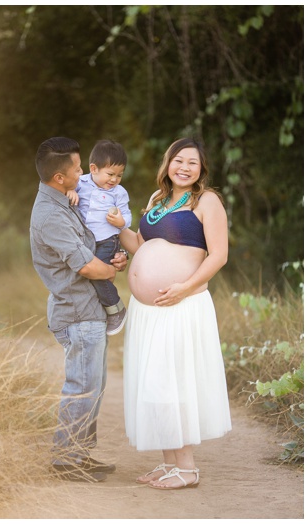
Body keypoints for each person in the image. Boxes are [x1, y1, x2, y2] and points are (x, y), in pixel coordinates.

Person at [119, 137, 232, 490]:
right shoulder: (157, 200)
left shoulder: (207, 201)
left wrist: (184, 287)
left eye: (192, 162)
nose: (184, 167)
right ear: (168, 163)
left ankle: (187, 468)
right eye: (178, 160)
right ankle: (169, 464)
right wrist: (117, 233)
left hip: (181, 305)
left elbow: (218, 255)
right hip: (148, 311)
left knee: (174, 383)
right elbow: (141, 245)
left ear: (201, 169)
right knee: (154, 384)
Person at [29, 137, 127, 482]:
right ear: (60, 177)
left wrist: (117, 257)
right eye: (76, 168)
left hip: (90, 309)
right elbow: (86, 267)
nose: (82, 171)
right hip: (76, 312)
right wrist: (111, 270)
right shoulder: (50, 215)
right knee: (81, 386)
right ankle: (65, 459)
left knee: (93, 386)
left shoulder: (68, 201)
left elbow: (96, 245)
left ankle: (78, 454)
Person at [66, 139, 132, 335]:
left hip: (107, 240)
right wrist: (70, 191)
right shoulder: (81, 183)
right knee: (86, 273)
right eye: (110, 174)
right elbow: (66, 191)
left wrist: (121, 222)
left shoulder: (119, 193)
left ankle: (115, 308)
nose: (114, 180)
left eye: (119, 175)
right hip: (86, 240)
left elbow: (127, 216)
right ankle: (98, 310)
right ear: (93, 169)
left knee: (99, 273)